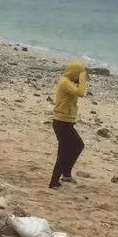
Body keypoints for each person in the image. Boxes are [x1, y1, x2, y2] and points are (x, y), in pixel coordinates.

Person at [50, 60, 87, 188]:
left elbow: (77, 92)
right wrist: (82, 78)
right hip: (62, 122)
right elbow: (81, 93)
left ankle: (66, 174)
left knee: (78, 146)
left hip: (66, 122)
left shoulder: (68, 82)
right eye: (78, 73)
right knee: (63, 153)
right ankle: (54, 182)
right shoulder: (65, 81)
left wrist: (79, 79)